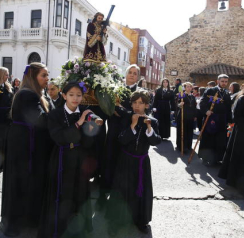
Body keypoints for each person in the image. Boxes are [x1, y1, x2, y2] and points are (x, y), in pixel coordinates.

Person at [38, 82, 103, 238]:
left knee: (80, 194)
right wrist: (80, 122)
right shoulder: (55, 114)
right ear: (64, 95)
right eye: (71, 95)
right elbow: (60, 138)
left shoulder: (88, 115)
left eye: (79, 95)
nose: (75, 98)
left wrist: (90, 132)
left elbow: (88, 144)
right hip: (61, 159)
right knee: (62, 194)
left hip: (80, 160)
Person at [0, 63, 52, 237]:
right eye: (43, 75)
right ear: (32, 77)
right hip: (25, 146)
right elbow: (40, 120)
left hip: (24, 142)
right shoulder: (28, 95)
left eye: (47, 75)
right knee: (22, 182)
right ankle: (18, 222)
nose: (47, 79)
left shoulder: (33, 94)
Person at [106, 90, 161, 236]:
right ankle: (119, 219)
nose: (137, 106)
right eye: (135, 103)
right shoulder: (126, 118)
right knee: (123, 190)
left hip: (142, 162)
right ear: (131, 104)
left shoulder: (153, 121)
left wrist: (149, 128)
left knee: (140, 190)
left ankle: (140, 220)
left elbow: (156, 141)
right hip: (125, 160)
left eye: (141, 103)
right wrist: (133, 124)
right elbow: (122, 140)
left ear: (146, 105)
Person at [98, 64, 141, 210]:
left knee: (125, 167)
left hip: (130, 134)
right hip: (114, 132)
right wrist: (125, 112)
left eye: (135, 73)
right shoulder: (114, 89)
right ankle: (102, 197)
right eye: (130, 72)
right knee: (108, 163)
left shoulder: (140, 93)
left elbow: (138, 112)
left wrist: (121, 111)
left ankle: (122, 201)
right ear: (126, 73)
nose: (132, 75)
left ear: (138, 77)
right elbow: (109, 109)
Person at [199, 75, 232, 166]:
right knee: (209, 138)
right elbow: (202, 102)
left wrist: (229, 120)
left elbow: (228, 107)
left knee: (220, 139)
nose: (224, 83)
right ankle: (206, 158)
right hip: (211, 118)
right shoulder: (210, 90)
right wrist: (206, 111)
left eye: (226, 81)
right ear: (218, 81)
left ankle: (217, 158)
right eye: (222, 81)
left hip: (222, 119)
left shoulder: (226, 92)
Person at [176, 82, 197, 153]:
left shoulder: (193, 97)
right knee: (182, 131)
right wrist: (180, 104)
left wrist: (195, 116)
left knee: (189, 131)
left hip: (190, 116)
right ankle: (181, 146)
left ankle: (188, 145)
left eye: (190, 87)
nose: (189, 88)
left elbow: (194, 107)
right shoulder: (181, 95)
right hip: (183, 115)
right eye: (187, 86)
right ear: (185, 87)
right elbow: (177, 104)